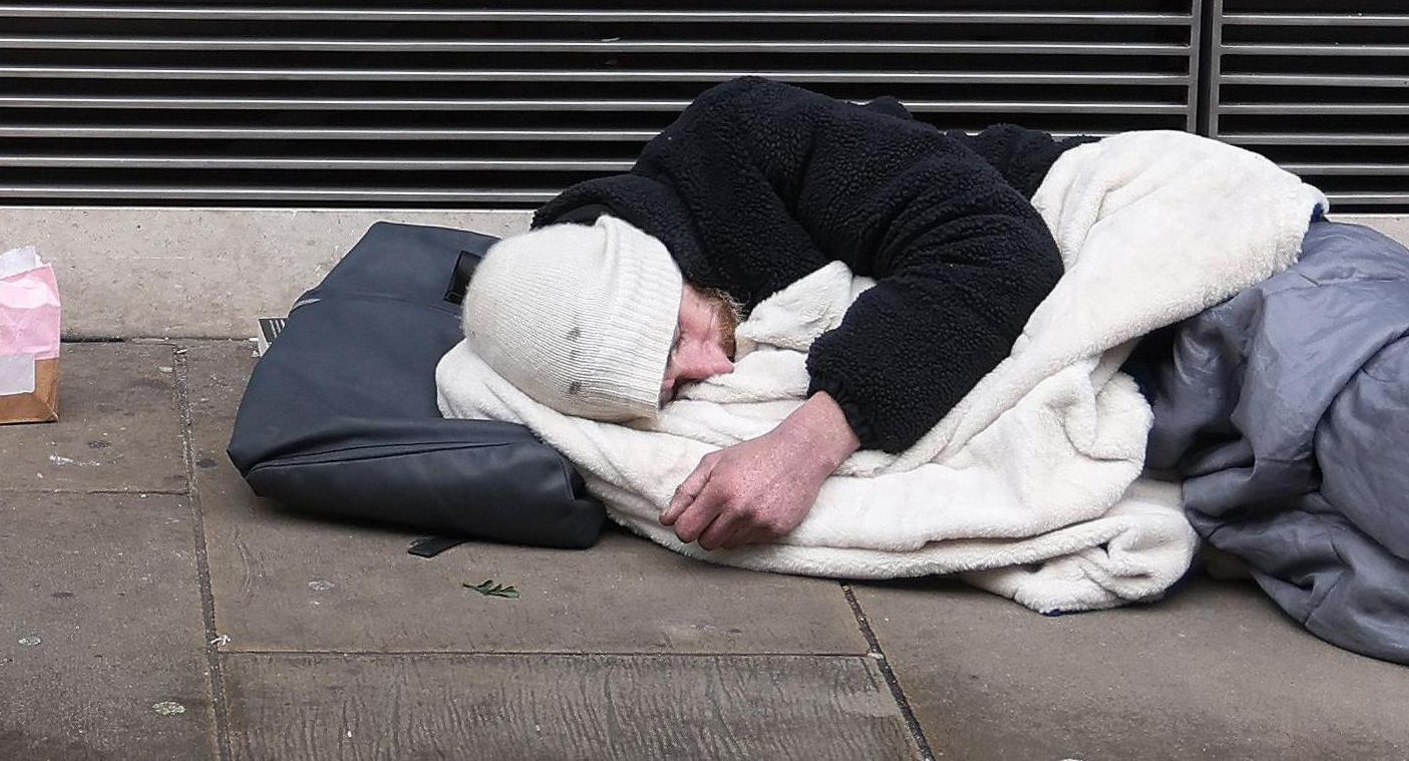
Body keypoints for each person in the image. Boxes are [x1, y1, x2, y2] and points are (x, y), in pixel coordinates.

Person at [457, 78, 1080, 551]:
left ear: (662, 264)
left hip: (1060, 196)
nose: (715, 368)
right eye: (670, 385)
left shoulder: (745, 138)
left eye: (675, 336)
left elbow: (998, 255)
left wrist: (808, 445)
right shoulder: (556, 290)